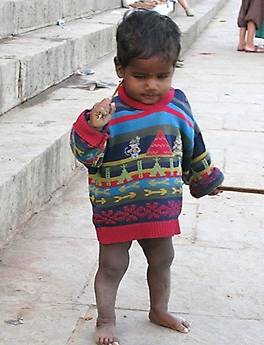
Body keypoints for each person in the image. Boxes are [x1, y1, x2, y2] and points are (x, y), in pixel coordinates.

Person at [69, 9, 225, 345]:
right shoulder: (107, 113)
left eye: (162, 76)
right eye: (140, 76)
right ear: (119, 68)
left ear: (173, 70)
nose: (152, 86)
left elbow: (193, 144)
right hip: (116, 208)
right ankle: (106, 319)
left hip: (160, 207)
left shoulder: (178, 104)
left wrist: (205, 179)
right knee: (112, 266)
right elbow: (86, 155)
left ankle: (159, 309)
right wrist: (92, 126)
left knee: (163, 259)